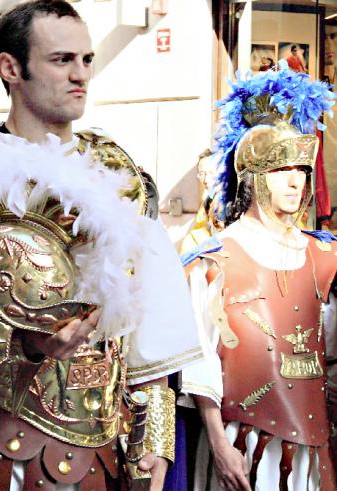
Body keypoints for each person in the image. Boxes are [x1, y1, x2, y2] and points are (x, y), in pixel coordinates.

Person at [0, 2, 205, 490]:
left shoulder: (117, 172)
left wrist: (154, 439)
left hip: (100, 452)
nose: (81, 75)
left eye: (87, 60)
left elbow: (150, 317)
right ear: (11, 68)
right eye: (62, 60)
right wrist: (22, 343)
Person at [179, 67, 337, 490]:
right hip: (243, 441)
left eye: (303, 169)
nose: (295, 180)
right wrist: (218, 444)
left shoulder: (325, 255)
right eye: (281, 168)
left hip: (315, 446)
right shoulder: (214, 259)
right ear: (252, 176)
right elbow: (201, 363)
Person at [180, 149, 223, 252]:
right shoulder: (208, 202)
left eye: (211, 173)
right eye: (202, 174)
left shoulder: (234, 202)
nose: (206, 180)